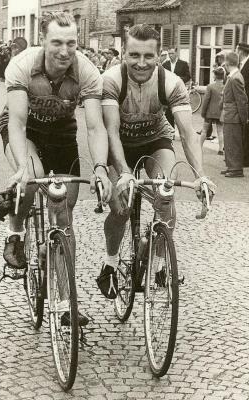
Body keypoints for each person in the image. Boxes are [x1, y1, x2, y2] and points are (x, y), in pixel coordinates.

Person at [97, 24, 215, 299]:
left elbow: (186, 133)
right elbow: (111, 131)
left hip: (155, 139)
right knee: (120, 208)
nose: (141, 63)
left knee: (166, 195)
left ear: (159, 55)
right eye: (134, 55)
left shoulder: (171, 83)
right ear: (124, 53)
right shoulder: (111, 79)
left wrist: (201, 176)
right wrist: (124, 172)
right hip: (120, 144)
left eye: (148, 56)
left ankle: (160, 262)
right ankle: (110, 263)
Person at [1, 11, 111, 303]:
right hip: (26, 130)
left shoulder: (87, 71)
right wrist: (24, 167)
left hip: (62, 133)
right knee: (32, 180)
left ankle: (65, 303)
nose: (65, 51)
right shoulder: (22, 65)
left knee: (63, 216)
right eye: (57, 42)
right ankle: (16, 232)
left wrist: (100, 167)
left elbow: (95, 125)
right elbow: (17, 123)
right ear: (42, 40)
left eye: (71, 43)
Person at [220, 51, 248, 178]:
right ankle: (231, 166)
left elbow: (242, 100)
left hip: (234, 116)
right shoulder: (233, 76)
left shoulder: (235, 78)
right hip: (230, 115)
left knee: (234, 143)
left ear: (227, 63)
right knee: (229, 142)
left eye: (224, 62)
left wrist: (244, 118)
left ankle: (236, 168)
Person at [163, 47, 191, 127]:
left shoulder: (183, 64)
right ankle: (171, 131)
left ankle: (182, 130)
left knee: (179, 111)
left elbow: (188, 76)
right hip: (168, 90)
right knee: (168, 112)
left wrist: (178, 79)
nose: (170, 55)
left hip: (179, 91)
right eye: (169, 54)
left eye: (172, 53)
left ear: (176, 53)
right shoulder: (165, 64)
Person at [200, 67, 224, 155]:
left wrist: (203, 112)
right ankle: (221, 149)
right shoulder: (225, 87)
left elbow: (206, 100)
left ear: (215, 76)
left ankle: (199, 147)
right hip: (220, 112)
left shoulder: (210, 86)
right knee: (220, 131)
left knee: (204, 130)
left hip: (209, 112)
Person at [236, 42, 249, 168]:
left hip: (246, 103)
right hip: (243, 103)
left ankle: (246, 159)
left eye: (237, 50)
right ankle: (244, 157)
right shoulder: (243, 64)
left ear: (241, 52)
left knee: (246, 131)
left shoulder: (247, 65)